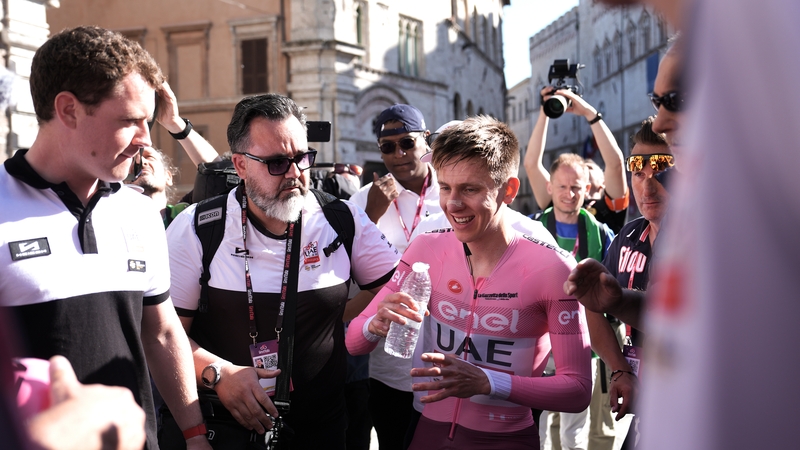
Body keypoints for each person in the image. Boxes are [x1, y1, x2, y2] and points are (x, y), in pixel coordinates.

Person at [0, 26, 210, 450]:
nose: (145, 140)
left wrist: (195, 434)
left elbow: (162, 331)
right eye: (129, 121)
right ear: (69, 110)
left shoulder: (138, 210)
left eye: (147, 122)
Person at [165, 93, 400, 449]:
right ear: (241, 166)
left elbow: (397, 284)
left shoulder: (341, 218)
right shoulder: (196, 228)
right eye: (277, 162)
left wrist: (347, 319)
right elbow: (165, 334)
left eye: (302, 158)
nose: (295, 174)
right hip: (228, 428)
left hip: (322, 430)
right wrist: (218, 374)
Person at [346, 116, 592, 450]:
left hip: (506, 437)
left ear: (508, 189)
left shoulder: (553, 266)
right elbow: (353, 342)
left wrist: (488, 382)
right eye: (445, 187)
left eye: (470, 189)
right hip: (429, 429)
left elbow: (578, 390)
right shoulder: (427, 247)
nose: (453, 204)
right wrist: (375, 325)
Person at [349, 104, 451, 450]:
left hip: (445, 355)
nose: (399, 154)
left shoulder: (451, 190)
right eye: (387, 147)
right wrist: (369, 216)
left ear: (426, 141)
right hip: (387, 362)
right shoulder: (364, 199)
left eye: (407, 142)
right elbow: (344, 269)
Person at [585, 117, 672, 449]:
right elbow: (593, 306)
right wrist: (620, 370)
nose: (647, 188)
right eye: (638, 173)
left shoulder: (708, 237)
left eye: (661, 173)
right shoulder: (628, 236)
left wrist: (617, 301)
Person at [525, 88, 629, 234]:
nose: (570, 192)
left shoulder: (610, 208)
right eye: (563, 186)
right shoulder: (560, 201)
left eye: (590, 168)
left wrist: (590, 114)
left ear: (602, 184)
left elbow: (615, 165)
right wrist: (546, 109)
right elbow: (531, 165)